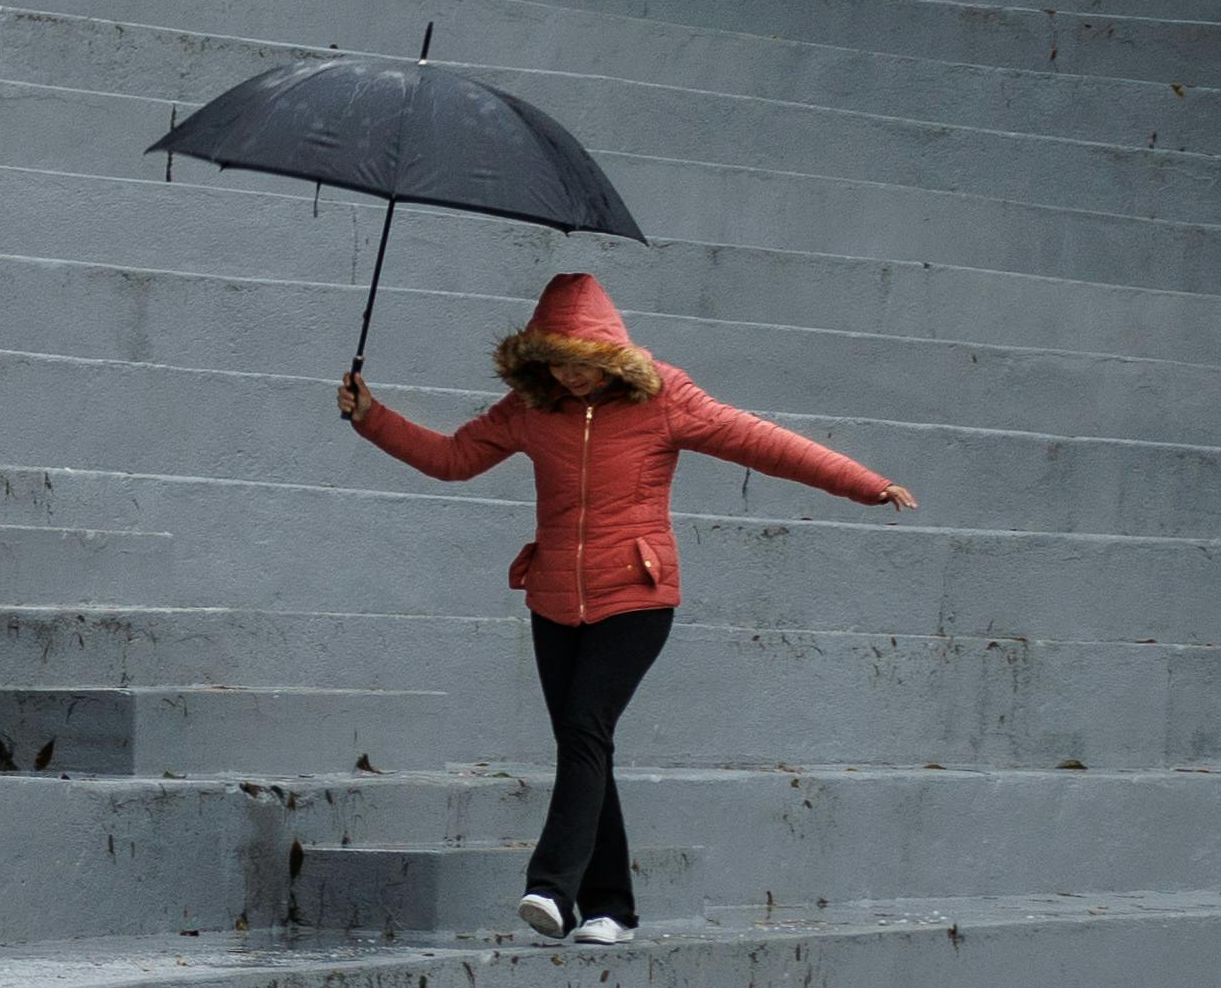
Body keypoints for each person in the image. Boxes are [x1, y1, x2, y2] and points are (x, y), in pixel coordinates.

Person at [336, 272, 913, 944]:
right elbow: (452, 458)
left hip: (636, 599)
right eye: (556, 362)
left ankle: (550, 889)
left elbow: (763, 443)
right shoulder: (528, 408)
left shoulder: (664, 399)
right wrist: (370, 417)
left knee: (585, 728)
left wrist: (868, 486)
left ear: (611, 358)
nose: (570, 377)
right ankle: (612, 909)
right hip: (553, 600)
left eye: (583, 365)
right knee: (587, 746)